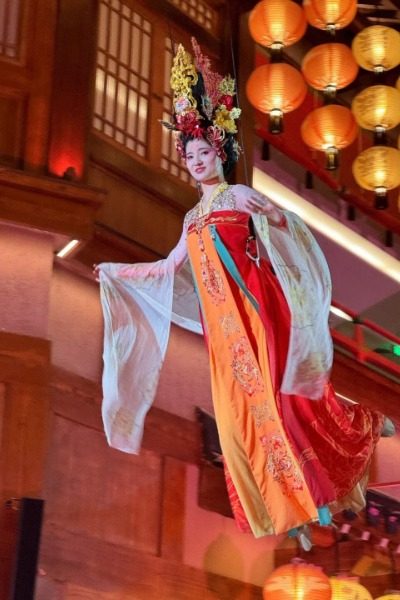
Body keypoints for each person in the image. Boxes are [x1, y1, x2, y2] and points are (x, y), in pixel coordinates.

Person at [94, 39, 388, 548]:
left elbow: (287, 229)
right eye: (189, 156)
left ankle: (352, 440)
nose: (197, 162)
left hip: (257, 314)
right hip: (224, 336)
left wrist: (275, 228)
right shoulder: (190, 218)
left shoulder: (239, 195)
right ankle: (284, 506)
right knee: (236, 422)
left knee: (285, 402)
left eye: (204, 152)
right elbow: (167, 269)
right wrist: (116, 271)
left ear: (219, 152)